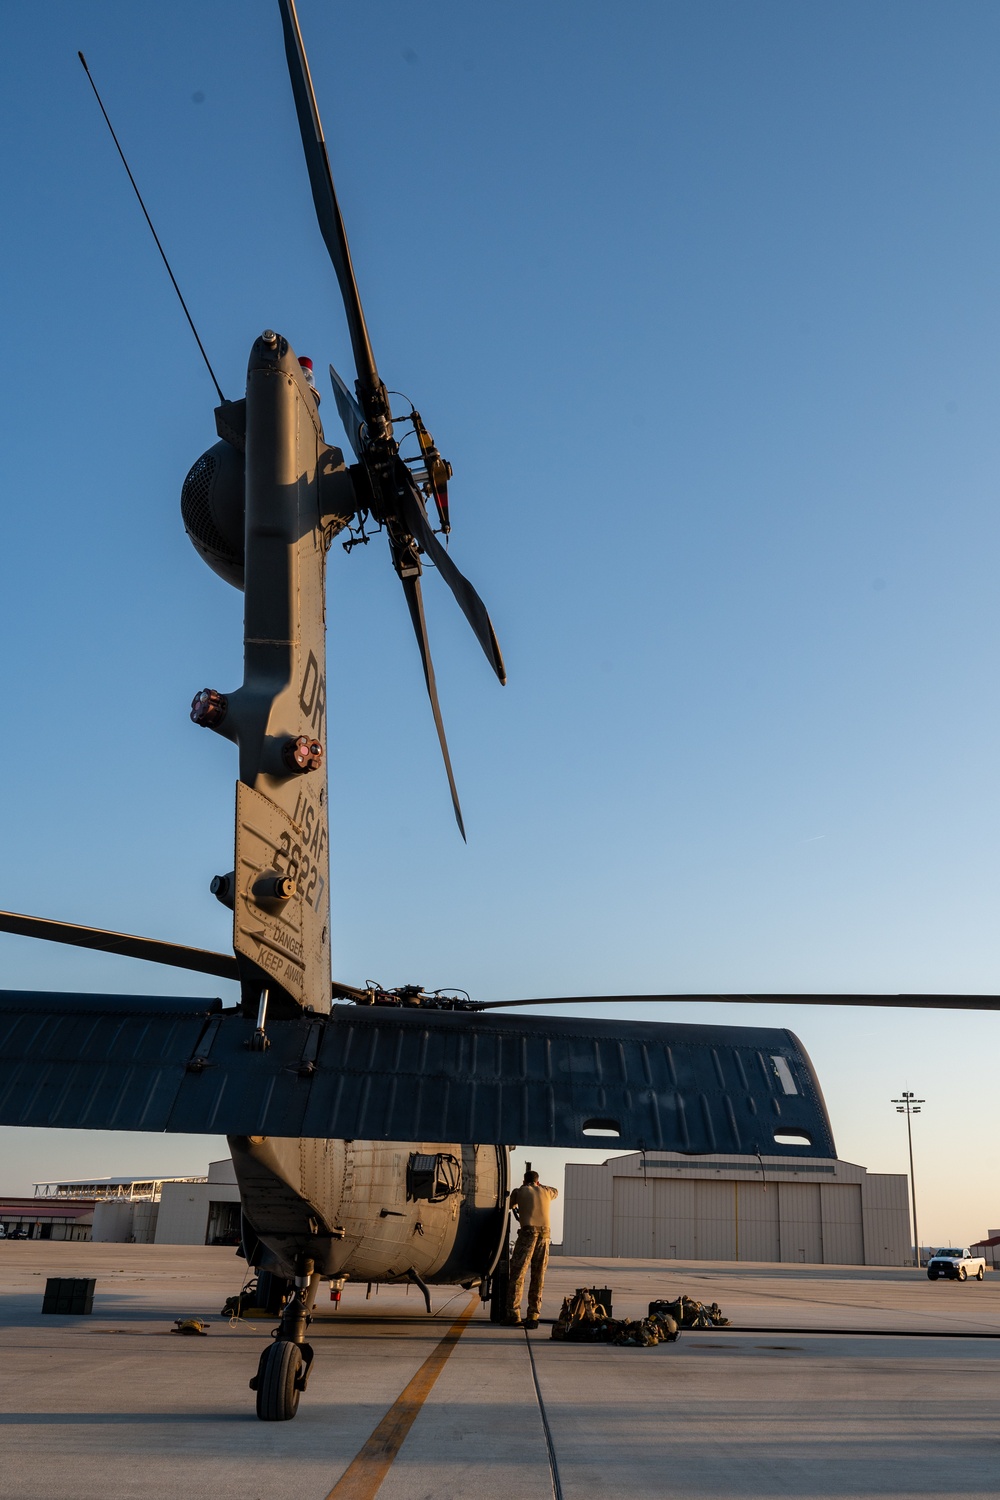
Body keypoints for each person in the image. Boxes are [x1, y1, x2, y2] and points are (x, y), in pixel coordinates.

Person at [505, 1169, 558, 1329]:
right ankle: (533, 1316)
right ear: (538, 1181)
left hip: (528, 1232)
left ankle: (513, 1314)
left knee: (517, 1274)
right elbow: (556, 1191)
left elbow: (509, 1205)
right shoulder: (547, 1191)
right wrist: (539, 1186)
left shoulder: (519, 1191)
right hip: (545, 1234)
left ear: (523, 1181)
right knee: (538, 1275)